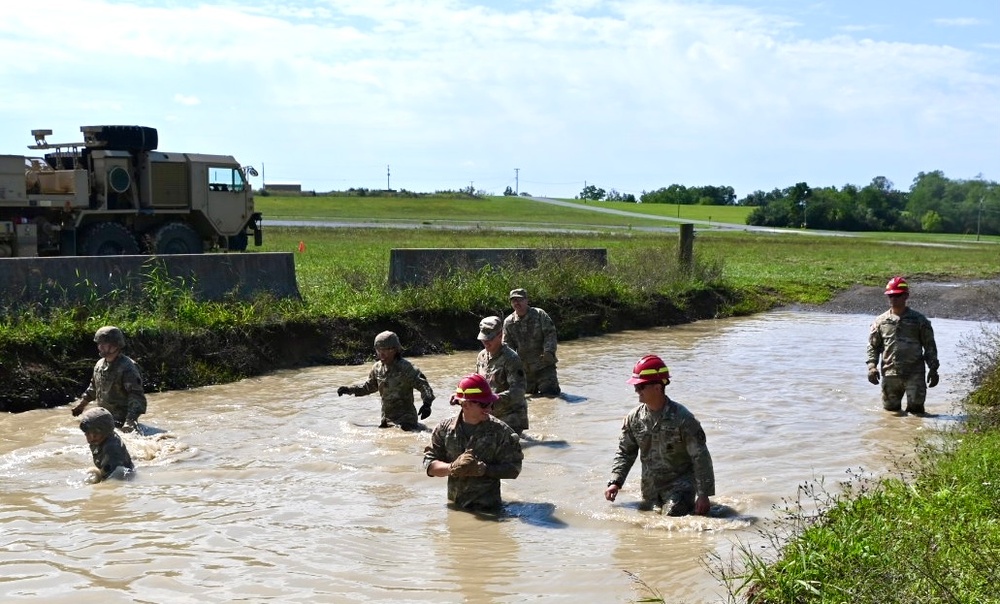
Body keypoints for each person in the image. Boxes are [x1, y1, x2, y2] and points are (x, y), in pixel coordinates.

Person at [604, 354, 715, 516]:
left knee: (671, 516)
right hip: (650, 489)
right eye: (636, 386)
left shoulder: (683, 419)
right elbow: (625, 453)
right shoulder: (634, 419)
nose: (636, 390)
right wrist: (615, 482)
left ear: (657, 387)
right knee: (647, 520)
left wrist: (703, 495)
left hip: (680, 488)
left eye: (641, 386)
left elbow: (700, 457)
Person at [423, 374, 523, 512]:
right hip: (455, 509)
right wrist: (451, 468)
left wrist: (484, 470)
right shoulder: (444, 429)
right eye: (483, 404)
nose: (489, 408)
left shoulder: (501, 432)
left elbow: (514, 469)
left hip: (490, 511)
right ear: (465, 404)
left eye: (490, 403)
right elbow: (429, 464)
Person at [866, 276, 940, 416]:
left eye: (897, 296)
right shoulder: (881, 321)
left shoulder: (919, 321)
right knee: (890, 415)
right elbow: (873, 346)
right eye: (891, 296)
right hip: (890, 374)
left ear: (906, 296)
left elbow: (930, 347)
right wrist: (872, 367)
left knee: (917, 413)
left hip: (915, 375)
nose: (893, 299)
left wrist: (933, 369)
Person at [337, 330, 435, 431]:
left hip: (406, 420)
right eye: (378, 350)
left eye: (385, 350)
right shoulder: (377, 368)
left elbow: (424, 385)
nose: (381, 354)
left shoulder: (406, 368)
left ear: (395, 350)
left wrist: (427, 404)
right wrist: (349, 390)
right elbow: (368, 387)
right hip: (387, 420)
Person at [71, 326, 147, 433]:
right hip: (104, 418)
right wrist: (81, 406)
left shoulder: (128, 367)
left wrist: (130, 421)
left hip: (121, 421)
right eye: (98, 343)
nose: (100, 347)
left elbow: (136, 396)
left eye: (104, 343)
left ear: (116, 345)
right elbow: (93, 388)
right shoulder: (99, 365)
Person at [475, 316, 529, 435]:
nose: (485, 342)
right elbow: (477, 383)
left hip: (511, 415)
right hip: (490, 412)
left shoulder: (511, 359)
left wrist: (492, 400)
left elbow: (518, 391)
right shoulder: (481, 356)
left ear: (500, 335)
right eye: (483, 338)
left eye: (489, 338)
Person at [502, 288, 560, 396]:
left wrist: (549, 352)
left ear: (526, 300)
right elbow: (507, 346)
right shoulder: (508, 322)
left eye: (519, 299)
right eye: (513, 300)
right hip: (525, 370)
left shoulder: (539, 314)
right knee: (530, 399)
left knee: (551, 397)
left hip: (544, 366)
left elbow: (550, 334)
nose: (516, 303)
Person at [79, 407, 135, 481]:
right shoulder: (98, 440)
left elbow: (113, 479)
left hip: (125, 476)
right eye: (86, 432)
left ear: (103, 431)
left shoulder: (111, 448)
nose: (88, 436)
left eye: (94, 433)